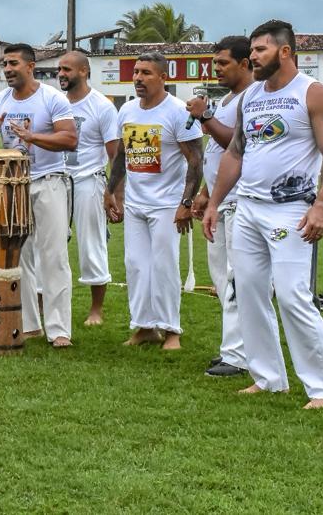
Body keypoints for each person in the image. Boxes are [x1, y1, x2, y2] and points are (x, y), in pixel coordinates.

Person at [203, 20, 323, 409]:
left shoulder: (313, 93)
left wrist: (321, 206)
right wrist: (214, 203)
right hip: (247, 207)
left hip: (292, 209)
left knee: (292, 295)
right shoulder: (250, 97)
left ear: (285, 52)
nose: (253, 57)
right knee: (248, 293)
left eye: (261, 50)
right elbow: (235, 153)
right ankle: (268, 378)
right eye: (252, 50)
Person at [0, 44, 78, 346]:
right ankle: (30, 324)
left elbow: (70, 139)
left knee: (54, 256)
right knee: (19, 257)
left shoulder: (52, 98)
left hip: (49, 182)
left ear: (30, 66)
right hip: (12, 186)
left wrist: (33, 137)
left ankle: (59, 331)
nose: (7, 69)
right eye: (4, 64)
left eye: (13, 63)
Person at [106, 52, 203, 350]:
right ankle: (145, 326)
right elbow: (122, 154)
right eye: (136, 72)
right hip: (136, 203)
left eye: (146, 73)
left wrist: (186, 203)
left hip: (167, 205)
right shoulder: (127, 110)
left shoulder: (176, 112)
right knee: (135, 265)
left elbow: (196, 160)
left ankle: (171, 330)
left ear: (164, 77)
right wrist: (111, 190)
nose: (138, 78)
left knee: (164, 266)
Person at [186, 37, 254, 377]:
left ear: (245, 64)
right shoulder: (228, 98)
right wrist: (205, 192)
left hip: (241, 201)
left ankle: (238, 356)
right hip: (220, 200)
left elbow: (235, 144)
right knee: (222, 279)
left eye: (224, 63)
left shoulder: (251, 98)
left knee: (235, 278)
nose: (217, 69)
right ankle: (232, 348)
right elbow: (217, 154)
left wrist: (206, 116)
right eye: (215, 64)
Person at [56, 50, 119, 327]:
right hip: (57, 180)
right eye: (59, 69)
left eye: (67, 69)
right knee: (51, 243)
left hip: (89, 180)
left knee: (92, 244)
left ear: (84, 71)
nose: (61, 74)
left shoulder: (102, 106)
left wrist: (115, 193)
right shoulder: (55, 102)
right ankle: (47, 302)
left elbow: (116, 155)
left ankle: (96, 309)